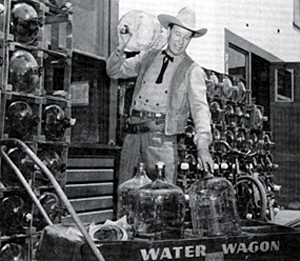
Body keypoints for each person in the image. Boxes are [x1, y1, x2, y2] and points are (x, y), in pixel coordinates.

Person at [106, 7, 213, 185]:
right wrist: (121, 46)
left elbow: (201, 110)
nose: (181, 42)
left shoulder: (192, 70)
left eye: (186, 38)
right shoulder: (147, 57)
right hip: (132, 138)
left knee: (161, 200)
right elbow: (113, 71)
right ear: (169, 31)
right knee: (126, 195)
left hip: (161, 143)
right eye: (178, 34)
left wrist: (203, 146)